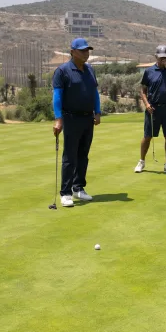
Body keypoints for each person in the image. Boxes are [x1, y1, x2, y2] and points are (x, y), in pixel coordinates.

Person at [52, 38, 101, 207]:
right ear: (72, 52)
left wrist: (98, 112)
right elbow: (57, 97)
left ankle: (78, 187)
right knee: (69, 157)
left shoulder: (90, 70)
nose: (86, 53)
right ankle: (65, 193)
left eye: (87, 50)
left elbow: (94, 93)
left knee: (83, 155)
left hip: (88, 118)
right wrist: (58, 119)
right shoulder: (63, 71)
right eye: (82, 50)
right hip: (71, 118)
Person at [135, 45, 166, 174]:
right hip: (153, 109)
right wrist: (146, 104)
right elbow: (143, 90)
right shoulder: (149, 71)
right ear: (156, 57)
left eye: (165, 58)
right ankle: (142, 161)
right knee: (147, 136)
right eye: (161, 57)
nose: (163, 60)